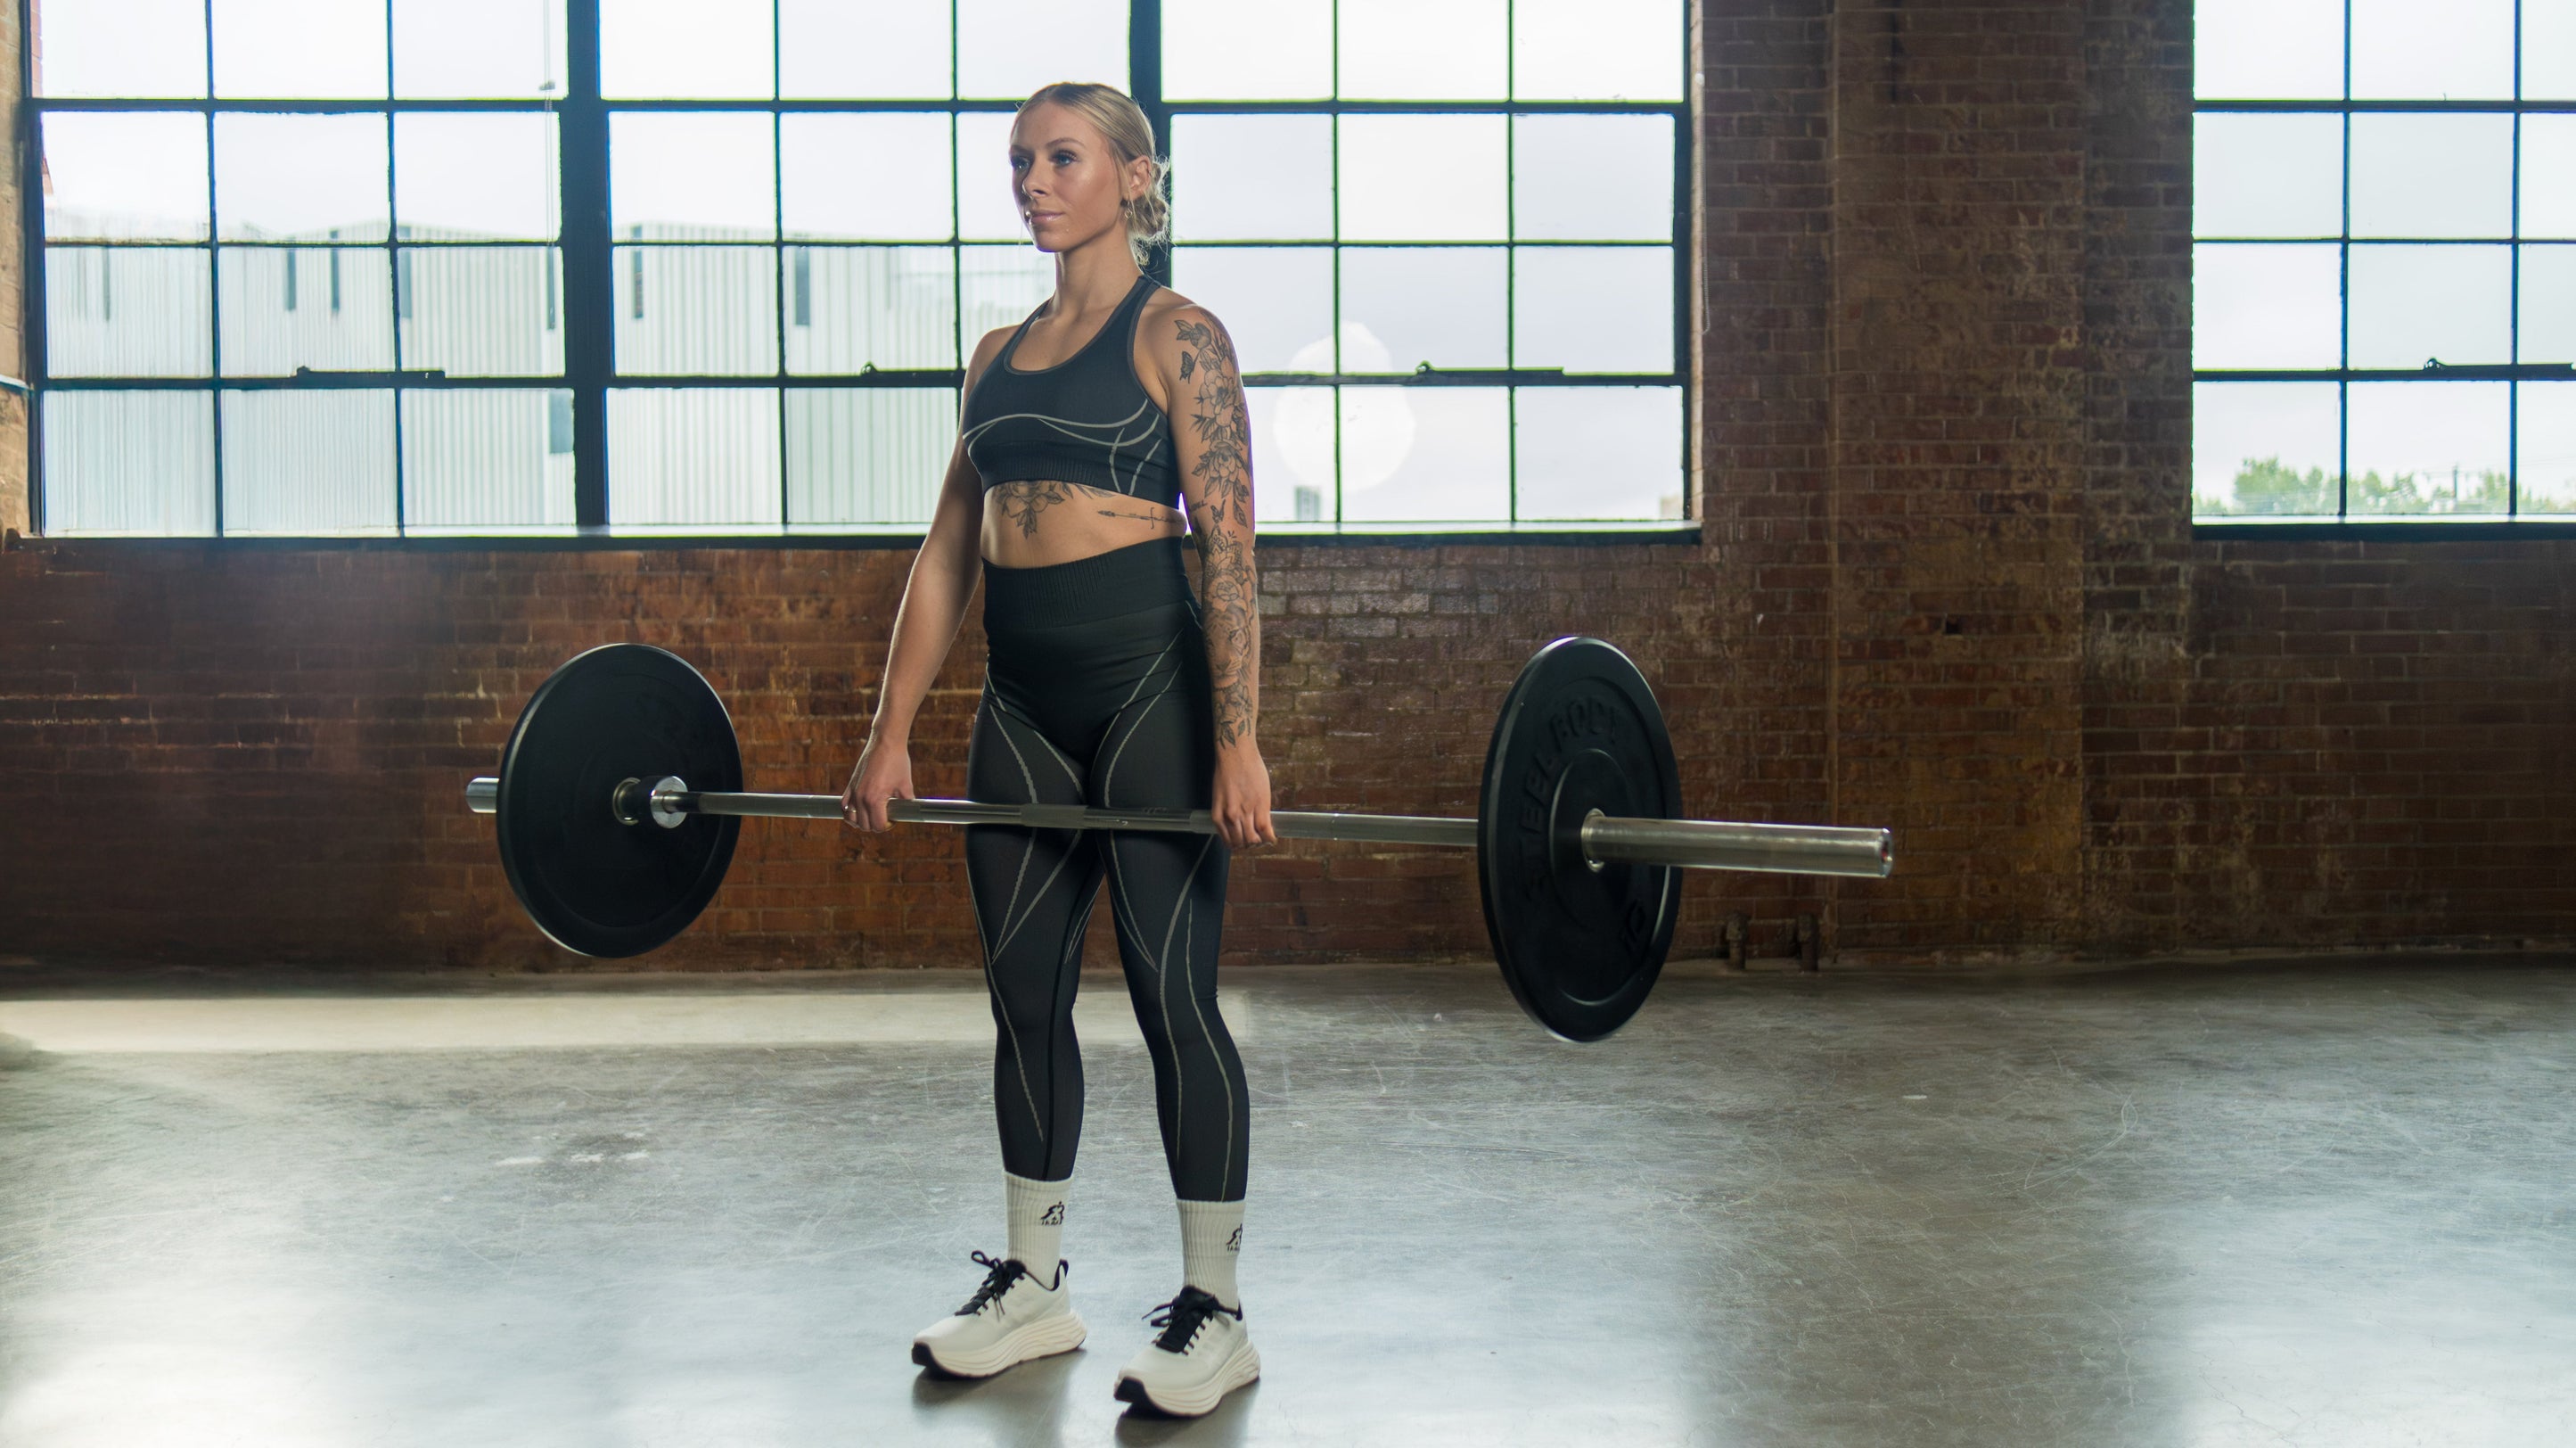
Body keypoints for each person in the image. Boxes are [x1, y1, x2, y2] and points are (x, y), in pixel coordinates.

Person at [840, 80, 1274, 1419]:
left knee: (1168, 998)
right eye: (1019, 160)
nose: (1031, 180)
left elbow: (1233, 546)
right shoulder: (993, 356)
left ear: (1136, 179)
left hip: (1151, 696)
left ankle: (1216, 1310)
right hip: (1020, 707)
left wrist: (1242, 742)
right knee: (1021, 995)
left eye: (1061, 158)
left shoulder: (1179, 338)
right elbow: (948, 550)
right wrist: (889, 730)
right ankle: (1033, 1284)